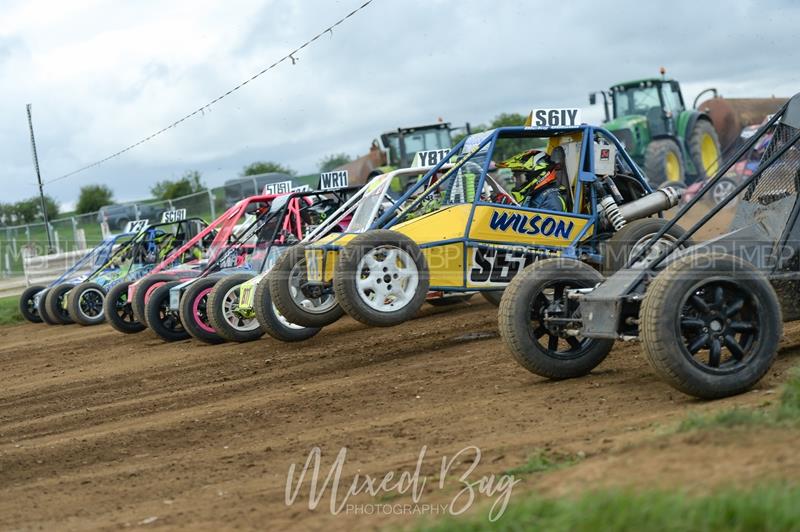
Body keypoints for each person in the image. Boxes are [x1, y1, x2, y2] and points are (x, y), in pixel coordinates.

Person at [497, 149, 566, 211]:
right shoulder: (534, 195)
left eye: (517, 175)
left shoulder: (551, 200)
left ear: (535, 175)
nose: (513, 179)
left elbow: (535, 224)